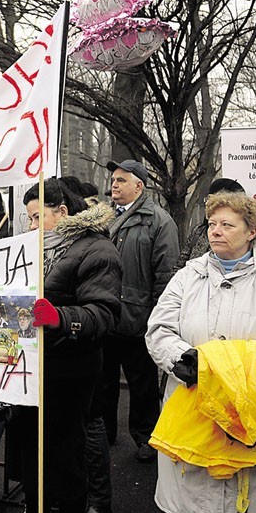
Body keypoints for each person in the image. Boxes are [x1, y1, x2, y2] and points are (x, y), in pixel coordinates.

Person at [145, 192, 256, 513]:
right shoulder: (186, 277)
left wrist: (215, 372)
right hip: (192, 415)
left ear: (251, 232)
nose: (215, 231)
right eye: (212, 224)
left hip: (253, 419)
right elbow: (158, 330)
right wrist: (183, 360)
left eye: (227, 225)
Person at [18, 178, 122, 513]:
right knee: (32, 450)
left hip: (71, 368)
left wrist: (60, 317)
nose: (31, 226)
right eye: (28, 219)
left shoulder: (97, 250)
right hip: (33, 365)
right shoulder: (35, 248)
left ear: (62, 211)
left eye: (36, 217)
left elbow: (105, 315)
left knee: (65, 452)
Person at [101, 159, 178, 462]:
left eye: (121, 180)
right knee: (103, 380)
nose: (114, 185)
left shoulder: (159, 221)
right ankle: (102, 434)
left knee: (142, 384)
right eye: (114, 180)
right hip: (105, 314)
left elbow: (166, 273)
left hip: (139, 318)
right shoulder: (102, 218)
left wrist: (158, 318)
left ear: (139, 186)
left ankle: (146, 437)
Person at [175, 178, 245, 270]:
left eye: (226, 225)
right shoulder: (198, 232)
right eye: (208, 199)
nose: (208, 204)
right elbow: (179, 267)